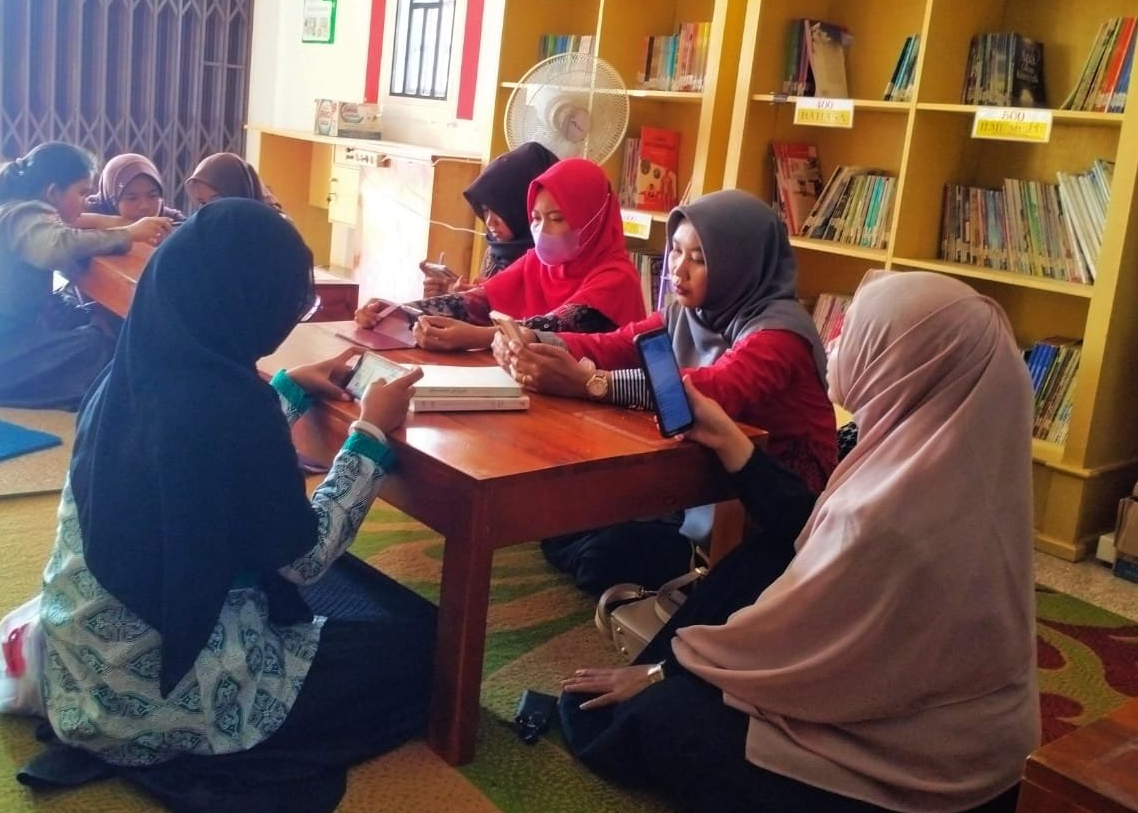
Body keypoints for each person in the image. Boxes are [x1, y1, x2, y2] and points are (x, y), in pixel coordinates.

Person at [558, 271, 1038, 813]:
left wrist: (664, 672)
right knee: (765, 558)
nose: (834, 341)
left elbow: (785, 652)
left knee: (664, 718)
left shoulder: (881, 522)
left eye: (856, 331)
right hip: (981, 755)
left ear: (904, 364)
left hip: (914, 780)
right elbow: (811, 530)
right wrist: (730, 440)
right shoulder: (960, 467)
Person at [25, 199, 435, 813]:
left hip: (81, 672)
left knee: (347, 607)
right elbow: (304, 558)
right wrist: (370, 437)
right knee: (418, 648)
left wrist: (286, 390)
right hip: (157, 694)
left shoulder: (130, 372)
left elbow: (209, 465)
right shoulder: (229, 407)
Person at [498, 189, 838, 593]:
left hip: (769, 506)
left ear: (740, 264)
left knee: (602, 555)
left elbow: (712, 390)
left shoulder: (780, 334)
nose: (678, 269)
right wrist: (532, 340)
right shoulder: (689, 310)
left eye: (699, 259)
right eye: (676, 250)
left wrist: (590, 383)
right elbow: (618, 344)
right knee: (563, 521)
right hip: (698, 476)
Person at [0, 141, 170, 410]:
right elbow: (57, 248)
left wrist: (118, 226)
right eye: (82, 192)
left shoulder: (4, 208)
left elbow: (69, 228)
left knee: (85, 331)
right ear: (53, 192)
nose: (85, 201)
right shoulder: (26, 213)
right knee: (96, 349)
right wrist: (129, 234)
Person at [355, 157, 647, 352]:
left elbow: (553, 326)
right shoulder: (537, 262)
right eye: (536, 218)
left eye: (557, 218)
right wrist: (397, 312)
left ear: (593, 219)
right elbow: (476, 302)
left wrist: (477, 337)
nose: (542, 230)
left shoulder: (616, 277)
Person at [420, 141, 558, 297]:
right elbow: (485, 309)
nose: (490, 222)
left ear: (524, 205)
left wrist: (486, 298)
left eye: (500, 210)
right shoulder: (494, 253)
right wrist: (445, 297)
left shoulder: (551, 261)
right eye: (485, 211)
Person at [77, 152, 185, 228]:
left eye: (152, 196)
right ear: (112, 199)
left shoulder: (170, 220)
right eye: (132, 198)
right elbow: (68, 224)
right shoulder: (88, 210)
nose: (144, 206)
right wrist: (118, 223)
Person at [185, 151, 284, 212]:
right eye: (202, 203)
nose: (209, 210)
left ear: (239, 189)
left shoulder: (273, 227)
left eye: (216, 200)